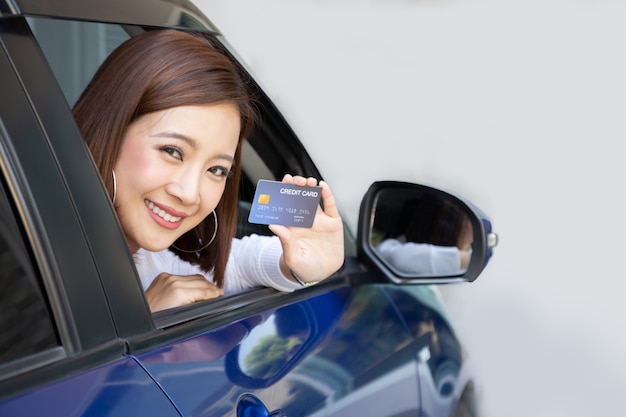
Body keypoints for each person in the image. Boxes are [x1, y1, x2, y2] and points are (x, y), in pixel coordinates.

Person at [72, 29, 344, 312]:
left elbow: (235, 264)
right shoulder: (36, 266)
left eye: (216, 169)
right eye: (172, 151)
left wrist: (295, 264)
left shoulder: (150, 258)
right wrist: (144, 319)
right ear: (110, 132)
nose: (189, 194)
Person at [376, 195, 471, 276]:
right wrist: (469, 259)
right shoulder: (390, 248)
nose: (472, 239)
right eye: (467, 228)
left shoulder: (458, 271)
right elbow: (398, 258)